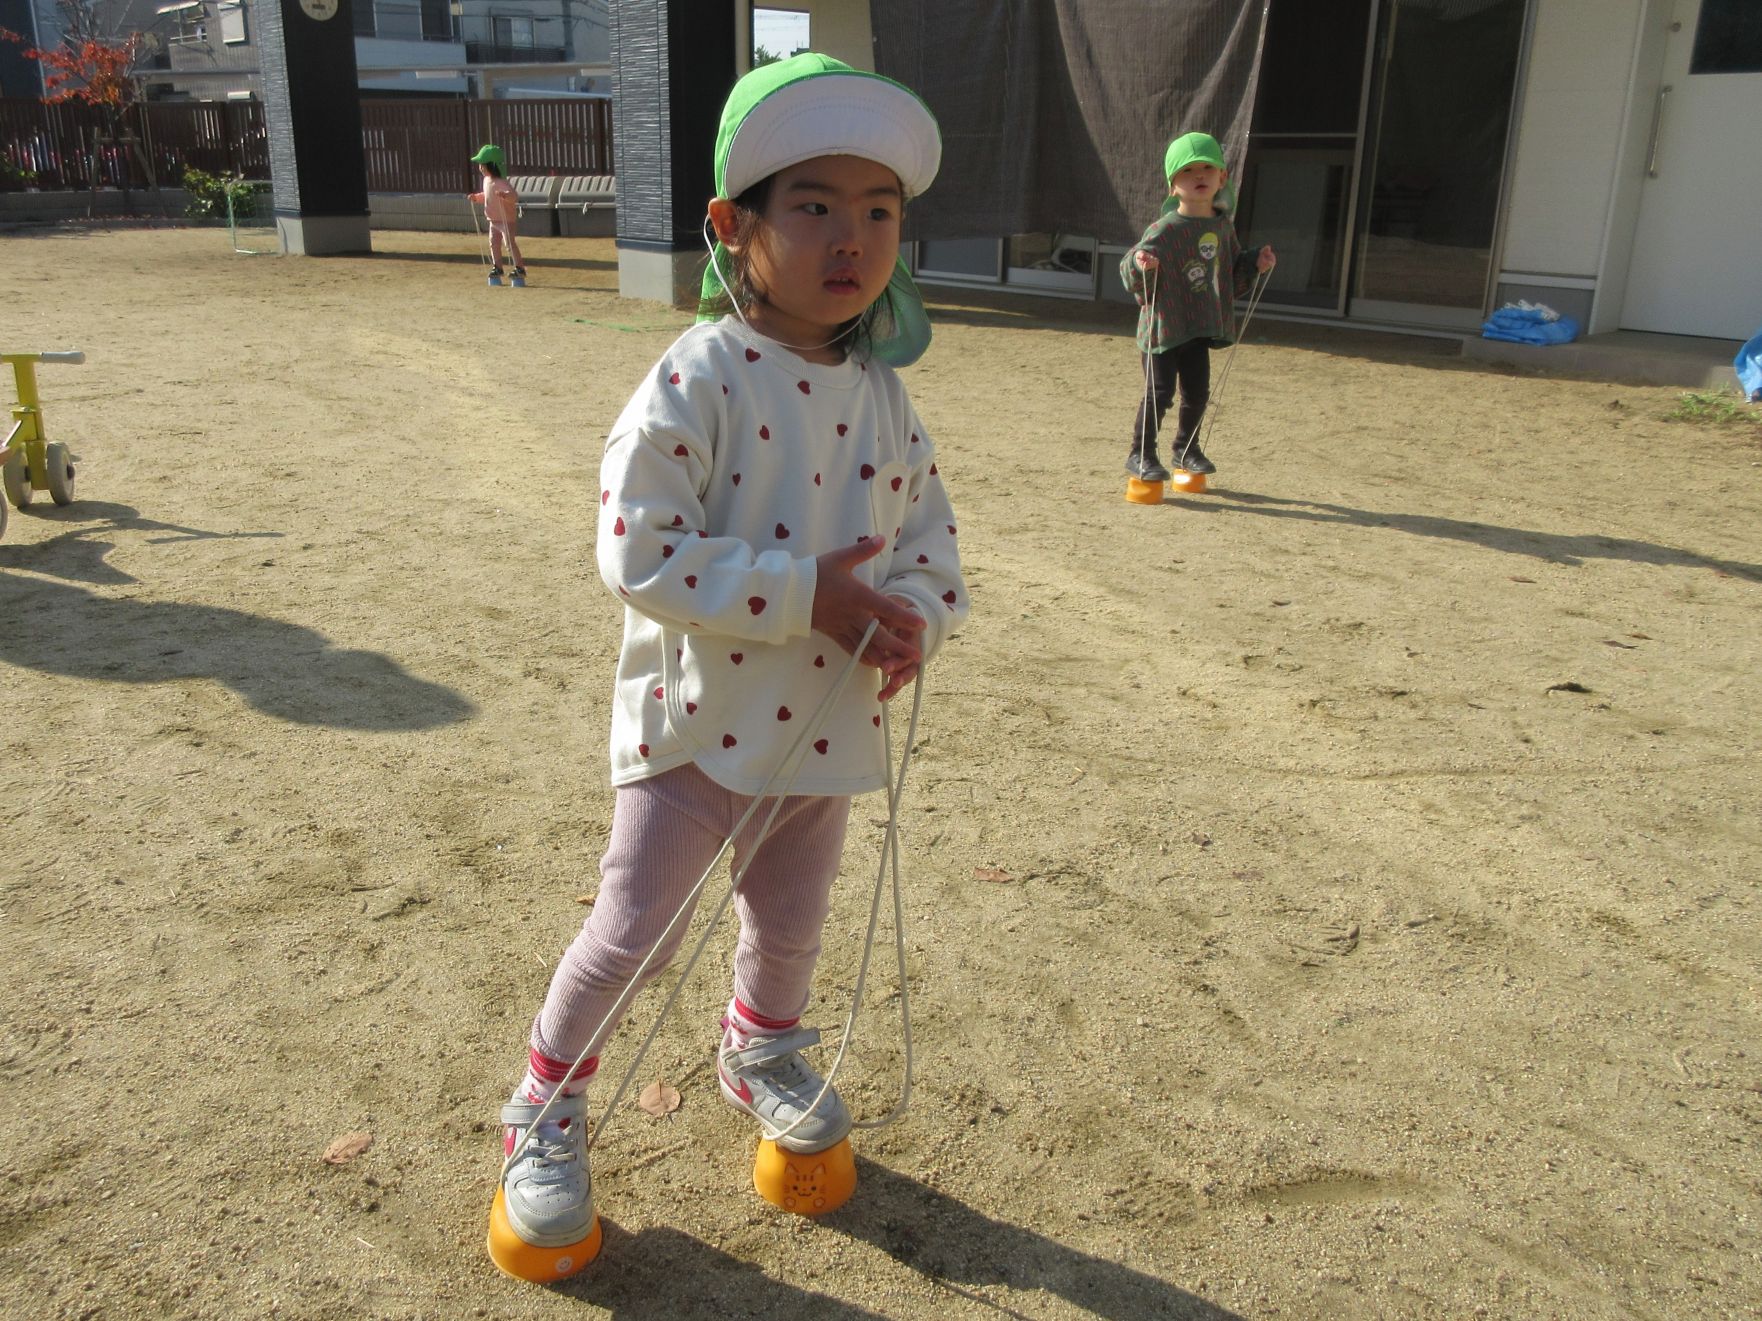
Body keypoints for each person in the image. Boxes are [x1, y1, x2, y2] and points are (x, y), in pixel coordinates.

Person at [494, 53, 967, 1253]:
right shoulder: (695, 375)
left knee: (791, 920)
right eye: (812, 204)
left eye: (879, 211)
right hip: (695, 721)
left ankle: (760, 1041)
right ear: (731, 225)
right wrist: (805, 593)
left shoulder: (883, 396)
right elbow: (636, 547)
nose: (850, 236)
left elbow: (928, 537)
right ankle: (543, 1104)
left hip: (826, 719)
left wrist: (911, 611)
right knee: (634, 930)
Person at [1121, 131, 1276, 481]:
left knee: (1197, 393)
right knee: (1160, 393)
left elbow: (1232, 271)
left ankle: (1186, 450)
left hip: (1198, 325)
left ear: (1222, 177)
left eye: (1207, 168)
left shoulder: (1221, 227)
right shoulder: (1163, 229)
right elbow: (1130, 268)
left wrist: (1256, 262)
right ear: (1173, 186)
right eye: (1188, 171)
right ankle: (1141, 454)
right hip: (1164, 327)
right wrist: (1141, 263)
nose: (1199, 176)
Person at [467, 144, 524, 284]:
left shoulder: (501, 182)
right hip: (493, 220)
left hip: (506, 220)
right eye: (480, 165)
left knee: (509, 243)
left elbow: (514, 196)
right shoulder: (486, 181)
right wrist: (476, 198)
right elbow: (487, 196)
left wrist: (505, 195)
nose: (480, 167)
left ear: (492, 166)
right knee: (493, 243)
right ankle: (497, 267)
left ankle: (519, 267)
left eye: (483, 165)